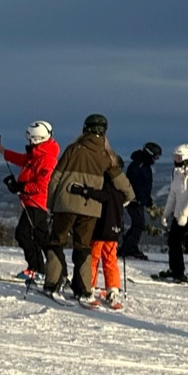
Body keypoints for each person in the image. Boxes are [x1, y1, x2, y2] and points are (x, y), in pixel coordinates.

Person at [43, 114, 131, 299]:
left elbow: (55, 178)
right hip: (91, 209)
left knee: (56, 242)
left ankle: (53, 283)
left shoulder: (73, 149)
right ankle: (83, 288)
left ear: (85, 129)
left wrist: (51, 203)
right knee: (83, 247)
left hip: (65, 204)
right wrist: (130, 196)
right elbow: (120, 181)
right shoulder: (107, 156)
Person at [0, 121, 58, 280]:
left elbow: (41, 186)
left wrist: (21, 187)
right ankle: (49, 270)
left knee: (23, 234)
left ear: (37, 138)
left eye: (30, 139)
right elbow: (23, 160)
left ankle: (37, 269)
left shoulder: (46, 158)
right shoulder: (37, 153)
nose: (28, 142)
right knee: (40, 238)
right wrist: (3, 151)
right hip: (31, 203)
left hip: (35, 204)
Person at [154, 144, 188, 285]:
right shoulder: (177, 173)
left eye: (179, 157)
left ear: (187, 158)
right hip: (179, 214)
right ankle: (176, 270)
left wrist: (185, 214)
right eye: (175, 157)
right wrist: (166, 213)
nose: (176, 160)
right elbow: (173, 195)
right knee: (173, 241)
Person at [84, 156, 130, 309]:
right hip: (114, 230)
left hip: (99, 229)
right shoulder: (121, 191)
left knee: (93, 259)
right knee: (110, 260)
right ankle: (113, 289)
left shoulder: (103, 188)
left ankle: (89, 287)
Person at [122, 142, 161, 259]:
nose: (155, 160)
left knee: (138, 224)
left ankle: (129, 247)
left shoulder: (145, 166)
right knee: (138, 224)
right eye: (155, 157)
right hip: (133, 201)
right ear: (149, 154)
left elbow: (145, 186)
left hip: (139, 200)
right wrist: (134, 198)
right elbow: (132, 184)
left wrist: (147, 200)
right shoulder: (137, 166)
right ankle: (128, 248)